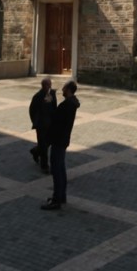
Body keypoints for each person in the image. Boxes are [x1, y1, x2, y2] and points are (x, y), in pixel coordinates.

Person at [41, 80, 80, 210]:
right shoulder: (71, 104)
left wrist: (49, 103)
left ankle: (56, 200)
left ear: (68, 90)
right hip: (63, 140)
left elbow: (55, 118)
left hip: (58, 140)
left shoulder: (66, 106)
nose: (62, 90)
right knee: (61, 169)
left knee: (57, 170)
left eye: (64, 88)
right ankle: (61, 196)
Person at [28, 78, 56, 173]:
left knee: (49, 142)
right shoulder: (37, 96)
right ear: (43, 85)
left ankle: (36, 151)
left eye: (50, 84)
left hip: (50, 124)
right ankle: (44, 166)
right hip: (41, 125)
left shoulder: (52, 94)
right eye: (48, 85)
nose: (50, 86)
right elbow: (32, 110)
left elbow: (54, 107)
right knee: (43, 145)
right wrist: (35, 122)